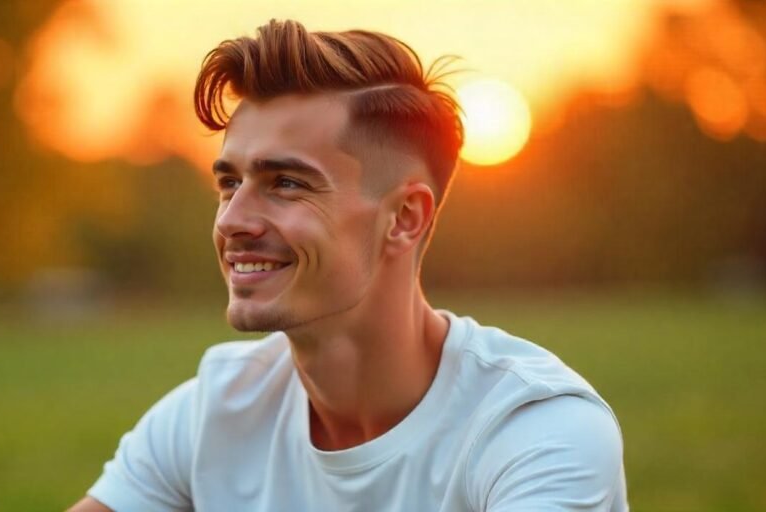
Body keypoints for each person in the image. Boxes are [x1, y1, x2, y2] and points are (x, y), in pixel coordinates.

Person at [68, 19, 627, 512]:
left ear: (405, 217)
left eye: (285, 183)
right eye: (230, 183)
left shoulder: (536, 432)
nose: (232, 220)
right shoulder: (214, 413)